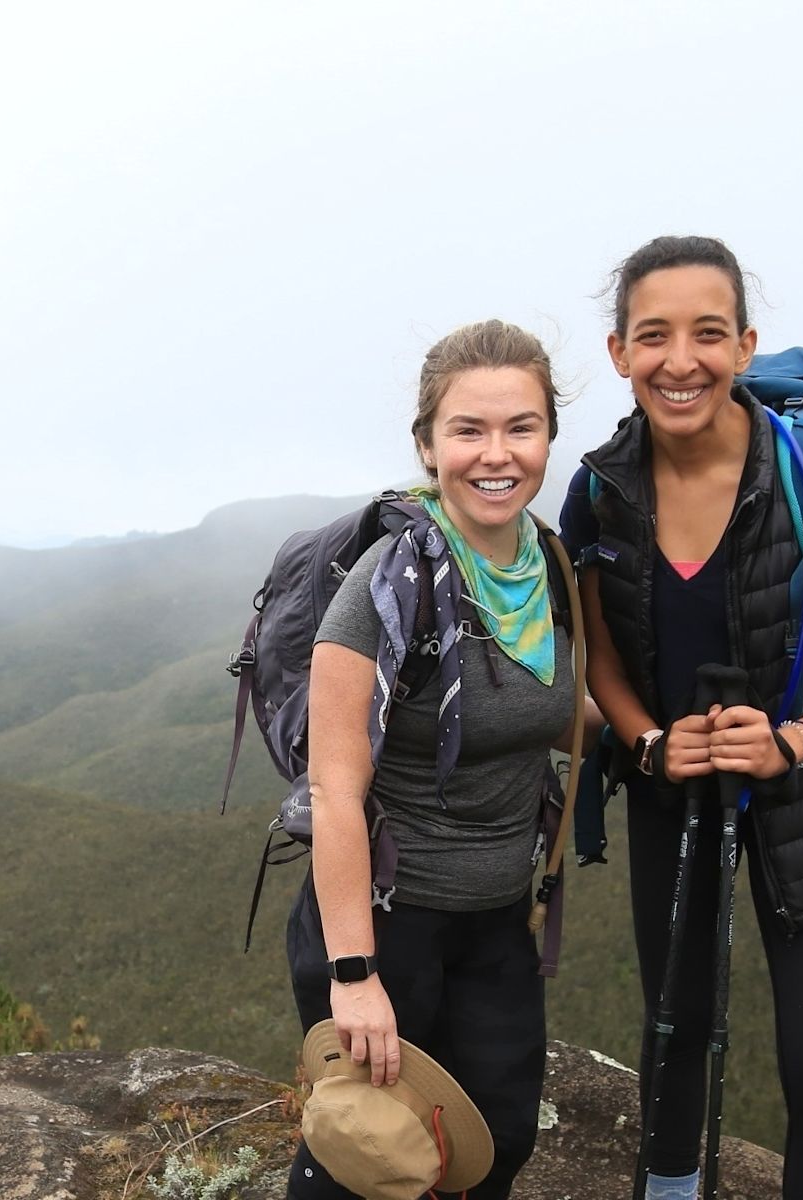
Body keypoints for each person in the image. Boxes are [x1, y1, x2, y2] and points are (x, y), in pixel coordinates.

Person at [560, 235, 803, 1200]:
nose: (682, 361)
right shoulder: (599, 495)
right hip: (674, 794)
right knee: (672, 1048)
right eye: (654, 335)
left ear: (746, 345)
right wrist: (648, 742)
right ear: (618, 351)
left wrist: (797, 736)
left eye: (708, 333)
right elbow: (603, 665)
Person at [285, 319, 580, 1199]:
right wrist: (356, 976)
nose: (497, 454)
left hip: (498, 918)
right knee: (368, 1160)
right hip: (388, 921)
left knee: (494, 1144)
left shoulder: (553, 571)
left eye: (520, 428)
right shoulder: (383, 591)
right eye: (469, 430)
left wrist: (656, 738)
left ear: (549, 438)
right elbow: (335, 788)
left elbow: (554, 710)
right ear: (427, 444)